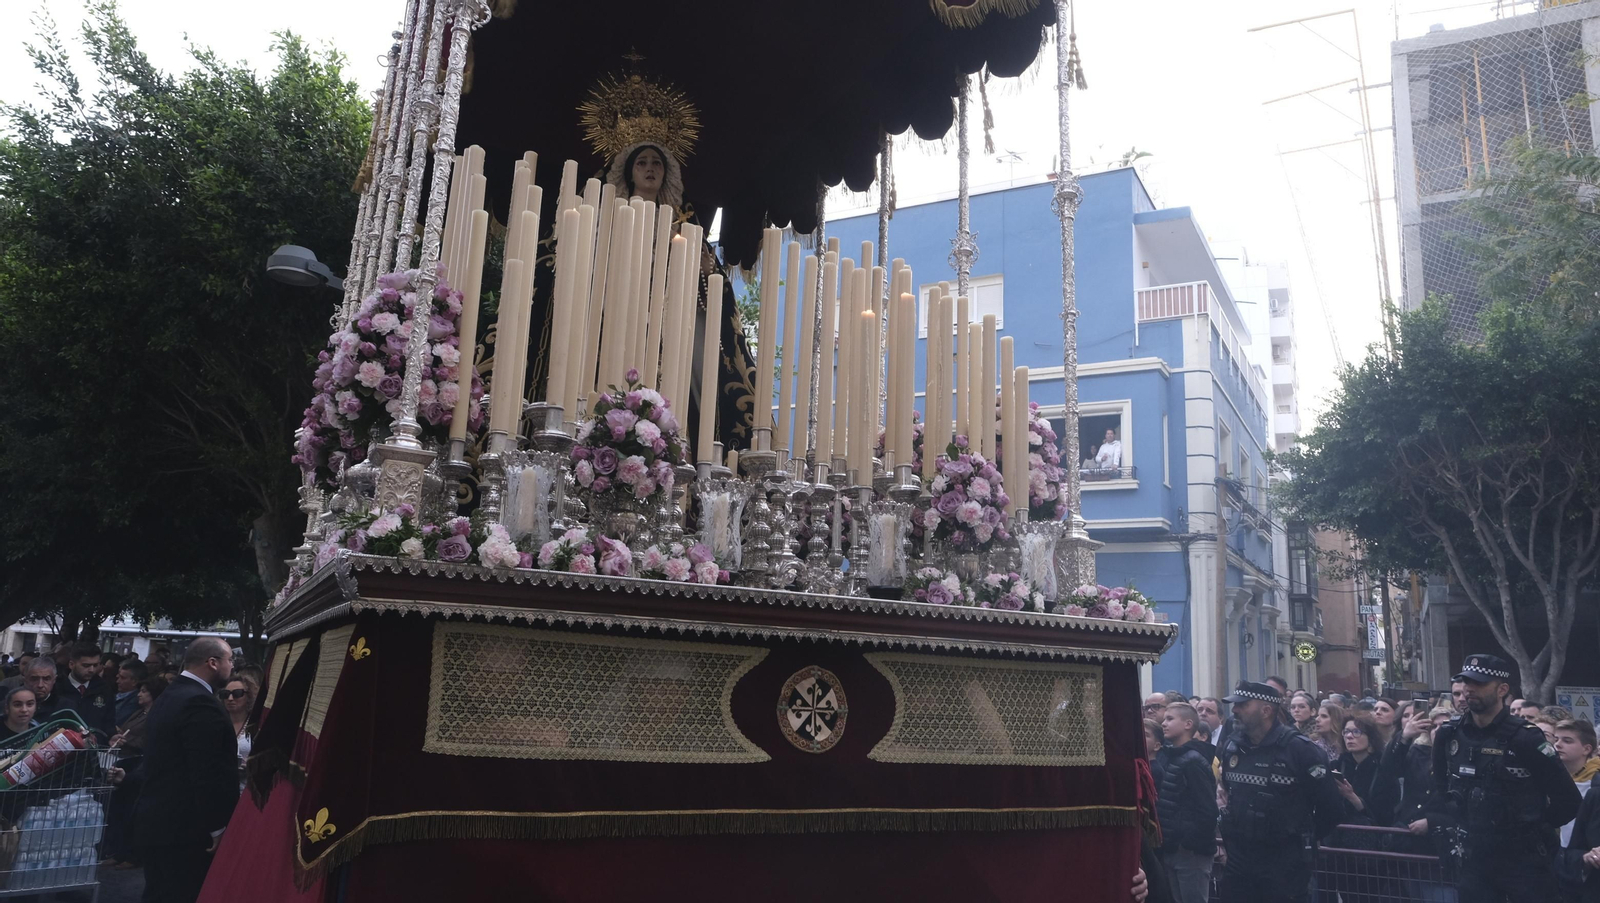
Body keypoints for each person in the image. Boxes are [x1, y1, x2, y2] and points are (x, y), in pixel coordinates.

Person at [1427, 653, 1581, 903]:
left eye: (1479, 683)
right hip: (1474, 859)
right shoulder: (1449, 733)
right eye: (1466, 682)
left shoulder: (1526, 738)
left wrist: (1530, 826)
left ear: (1502, 689)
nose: (1469, 689)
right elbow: (1441, 789)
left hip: (1524, 862)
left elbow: (1569, 801)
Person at [129, 637, 240, 903]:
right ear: (212, 663)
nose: (232, 666)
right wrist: (217, 827)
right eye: (229, 660)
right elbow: (206, 772)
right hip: (186, 830)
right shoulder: (198, 702)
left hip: (160, 823)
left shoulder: (173, 693)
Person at [1217, 680, 1343, 903]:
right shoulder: (1233, 746)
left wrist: (1298, 839)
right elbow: (1228, 793)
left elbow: (1331, 808)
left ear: (1266, 711)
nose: (1234, 710)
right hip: (1240, 862)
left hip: (1283, 865)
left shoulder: (1299, 750)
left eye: (1243, 705)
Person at [1156, 702, 1218, 903]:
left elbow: (1207, 809)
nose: (1164, 723)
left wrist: (1188, 843)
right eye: (1164, 718)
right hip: (1173, 846)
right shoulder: (1172, 756)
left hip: (1190, 851)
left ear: (1188, 724)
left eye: (1170, 719)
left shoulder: (1193, 761)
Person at [1555, 719, 1600, 850]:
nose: (1558, 745)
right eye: (1556, 739)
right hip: (1563, 855)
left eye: (1567, 741)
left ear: (1586, 749)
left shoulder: (1595, 782)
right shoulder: (1555, 778)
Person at [1334, 715, 1387, 825]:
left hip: (1371, 832)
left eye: (1356, 732)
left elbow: (1382, 815)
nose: (1349, 736)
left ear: (1371, 738)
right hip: (1340, 829)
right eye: (1346, 732)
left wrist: (1351, 796)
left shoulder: (1383, 768)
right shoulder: (1339, 764)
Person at [219, 675, 257, 792]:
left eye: (237, 693)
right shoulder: (217, 723)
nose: (230, 698)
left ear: (249, 696)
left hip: (248, 792)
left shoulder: (256, 725)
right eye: (225, 694)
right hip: (221, 790)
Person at [116, 660, 149, 727]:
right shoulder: (114, 694)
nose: (117, 681)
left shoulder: (135, 701)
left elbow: (117, 721)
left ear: (135, 681)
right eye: (118, 677)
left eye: (122, 678)